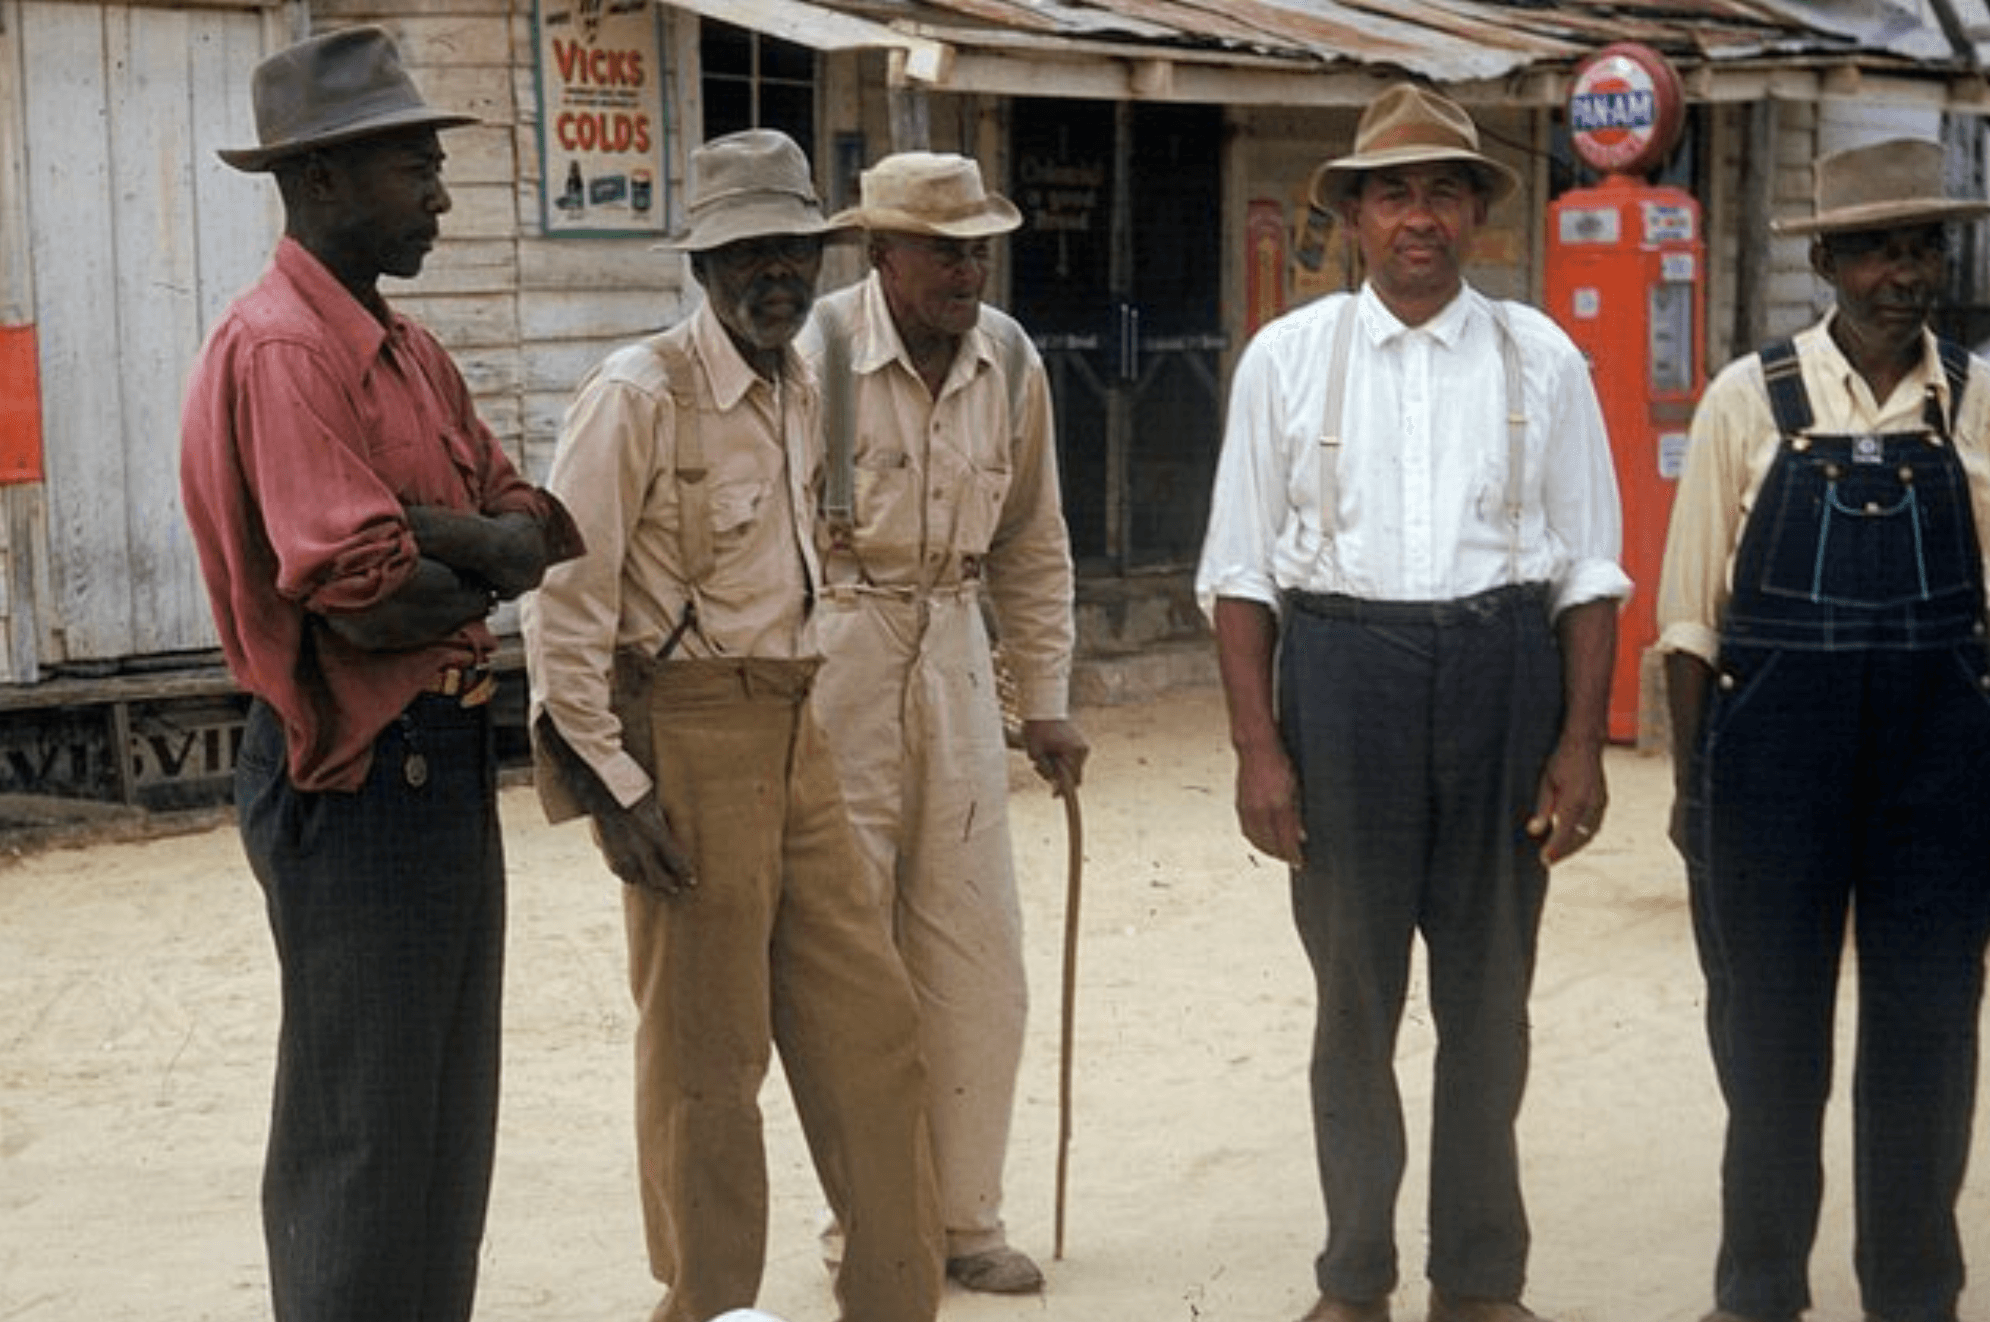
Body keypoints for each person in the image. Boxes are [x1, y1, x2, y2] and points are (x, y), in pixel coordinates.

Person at [1195, 83, 1629, 1322]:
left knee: (1489, 1003)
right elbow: (1240, 573)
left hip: (1501, 675)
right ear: (1354, 217)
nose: (1419, 217)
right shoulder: (1286, 360)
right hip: (1343, 683)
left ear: (1479, 215)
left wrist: (1578, 742)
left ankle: (1477, 1280)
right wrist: (1259, 748)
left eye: (1444, 192)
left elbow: (1587, 569)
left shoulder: (1541, 357)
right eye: (1394, 194)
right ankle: (1355, 1278)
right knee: (1354, 1002)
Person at [177, 27, 582, 1322]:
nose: (441, 197)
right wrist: (469, 551)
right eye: (416, 168)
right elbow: (363, 602)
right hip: (357, 777)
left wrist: (437, 535)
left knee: (442, 1132)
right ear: (321, 179)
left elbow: (535, 523)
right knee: (361, 1139)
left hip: (444, 758)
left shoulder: (407, 351)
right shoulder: (285, 351)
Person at [518, 128, 944, 1322]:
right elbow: (564, 604)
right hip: (686, 740)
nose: (776, 275)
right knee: (708, 1063)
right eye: (748, 253)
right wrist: (614, 786)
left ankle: (894, 1300)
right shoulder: (636, 394)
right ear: (702, 265)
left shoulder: (805, 383)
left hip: (799, 726)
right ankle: (708, 1305)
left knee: (874, 1031)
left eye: (793, 251)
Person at [1657, 138, 1990, 1322]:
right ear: (1829, 265)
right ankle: (1757, 1289)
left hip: (1940, 760)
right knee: (1768, 1036)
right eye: (1878, 251)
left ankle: (1913, 1292)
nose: (1906, 273)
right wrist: (1696, 790)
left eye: (1923, 247)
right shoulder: (1747, 398)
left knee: (1927, 1032)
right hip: (1771, 759)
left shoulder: (1977, 396)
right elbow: (1689, 618)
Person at [798, 149, 1088, 1296]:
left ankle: (967, 1217)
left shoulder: (1009, 359)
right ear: (882, 252)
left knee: (977, 953)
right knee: (849, 957)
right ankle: (871, 1224)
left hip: (958, 646)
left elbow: (1034, 539)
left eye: (978, 250)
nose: (966, 271)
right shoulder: (813, 348)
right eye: (941, 250)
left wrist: (1046, 700)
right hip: (838, 647)